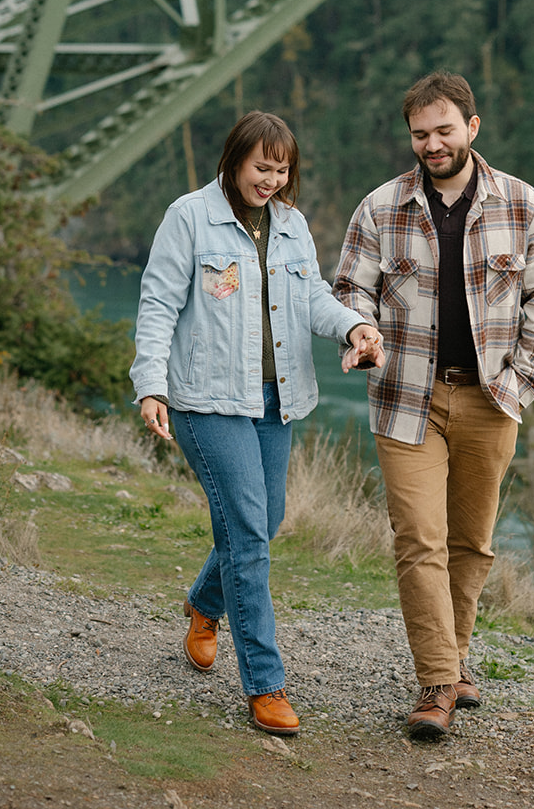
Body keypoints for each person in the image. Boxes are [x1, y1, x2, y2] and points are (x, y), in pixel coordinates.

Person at [131, 110, 384, 737]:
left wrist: (353, 325)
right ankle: (267, 686)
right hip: (206, 403)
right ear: (234, 161)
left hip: (278, 401)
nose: (271, 180)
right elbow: (158, 302)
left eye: (282, 170)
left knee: (263, 525)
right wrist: (151, 386)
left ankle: (204, 604)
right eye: (261, 168)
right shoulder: (188, 217)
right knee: (248, 537)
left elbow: (314, 296)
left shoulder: (292, 226)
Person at [332, 71, 534, 740]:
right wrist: (361, 331)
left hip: (490, 400)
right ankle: (437, 683)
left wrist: (517, 385)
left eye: (442, 130)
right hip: (406, 397)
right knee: (418, 539)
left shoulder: (523, 205)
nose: (431, 144)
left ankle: (454, 662)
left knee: (471, 543)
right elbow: (351, 287)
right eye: (419, 134)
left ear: (471, 126)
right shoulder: (380, 208)